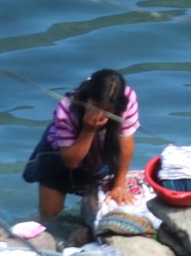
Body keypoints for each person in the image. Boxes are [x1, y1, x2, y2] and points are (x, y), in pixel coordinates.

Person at [22, 69, 140, 219]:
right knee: (49, 215)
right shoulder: (66, 108)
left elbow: (125, 141)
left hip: (99, 153)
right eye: (96, 107)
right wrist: (89, 130)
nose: (101, 115)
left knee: (100, 208)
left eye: (108, 110)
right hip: (60, 157)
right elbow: (71, 161)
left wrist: (119, 185)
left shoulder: (126, 99)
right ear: (87, 98)